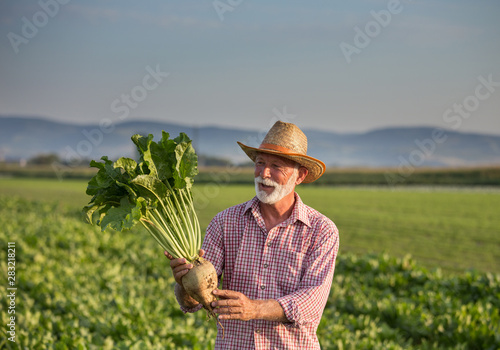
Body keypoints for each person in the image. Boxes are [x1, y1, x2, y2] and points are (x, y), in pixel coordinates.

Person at [165, 121, 340, 349]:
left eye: (276, 166)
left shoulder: (321, 230)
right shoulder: (225, 222)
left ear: (299, 175)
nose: (264, 173)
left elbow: (311, 303)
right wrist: (184, 283)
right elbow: (196, 300)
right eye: (259, 163)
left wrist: (254, 308)